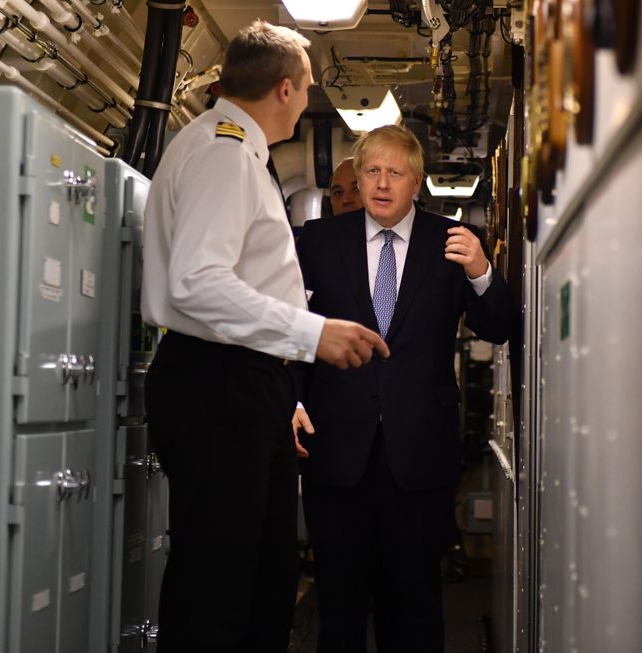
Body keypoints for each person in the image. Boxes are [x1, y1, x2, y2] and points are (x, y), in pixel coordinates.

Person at [141, 20, 389, 653]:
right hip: (217, 384)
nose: (309, 99)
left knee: (265, 581)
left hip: (248, 386)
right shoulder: (224, 153)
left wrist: (285, 393)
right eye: (307, 87)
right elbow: (196, 282)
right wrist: (311, 333)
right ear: (284, 89)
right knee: (218, 586)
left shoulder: (239, 151)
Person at [291, 125, 516, 652]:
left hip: (419, 454)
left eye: (395, 172)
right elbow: (294, 330)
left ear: (417, 181)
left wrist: (483, 272)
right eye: (372, 171)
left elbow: (498, 327)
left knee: (413, 604)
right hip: (337, 448)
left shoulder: (453, 242)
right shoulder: (320, 242)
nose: (382, 183)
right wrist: (293, 400)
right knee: (339, 604)